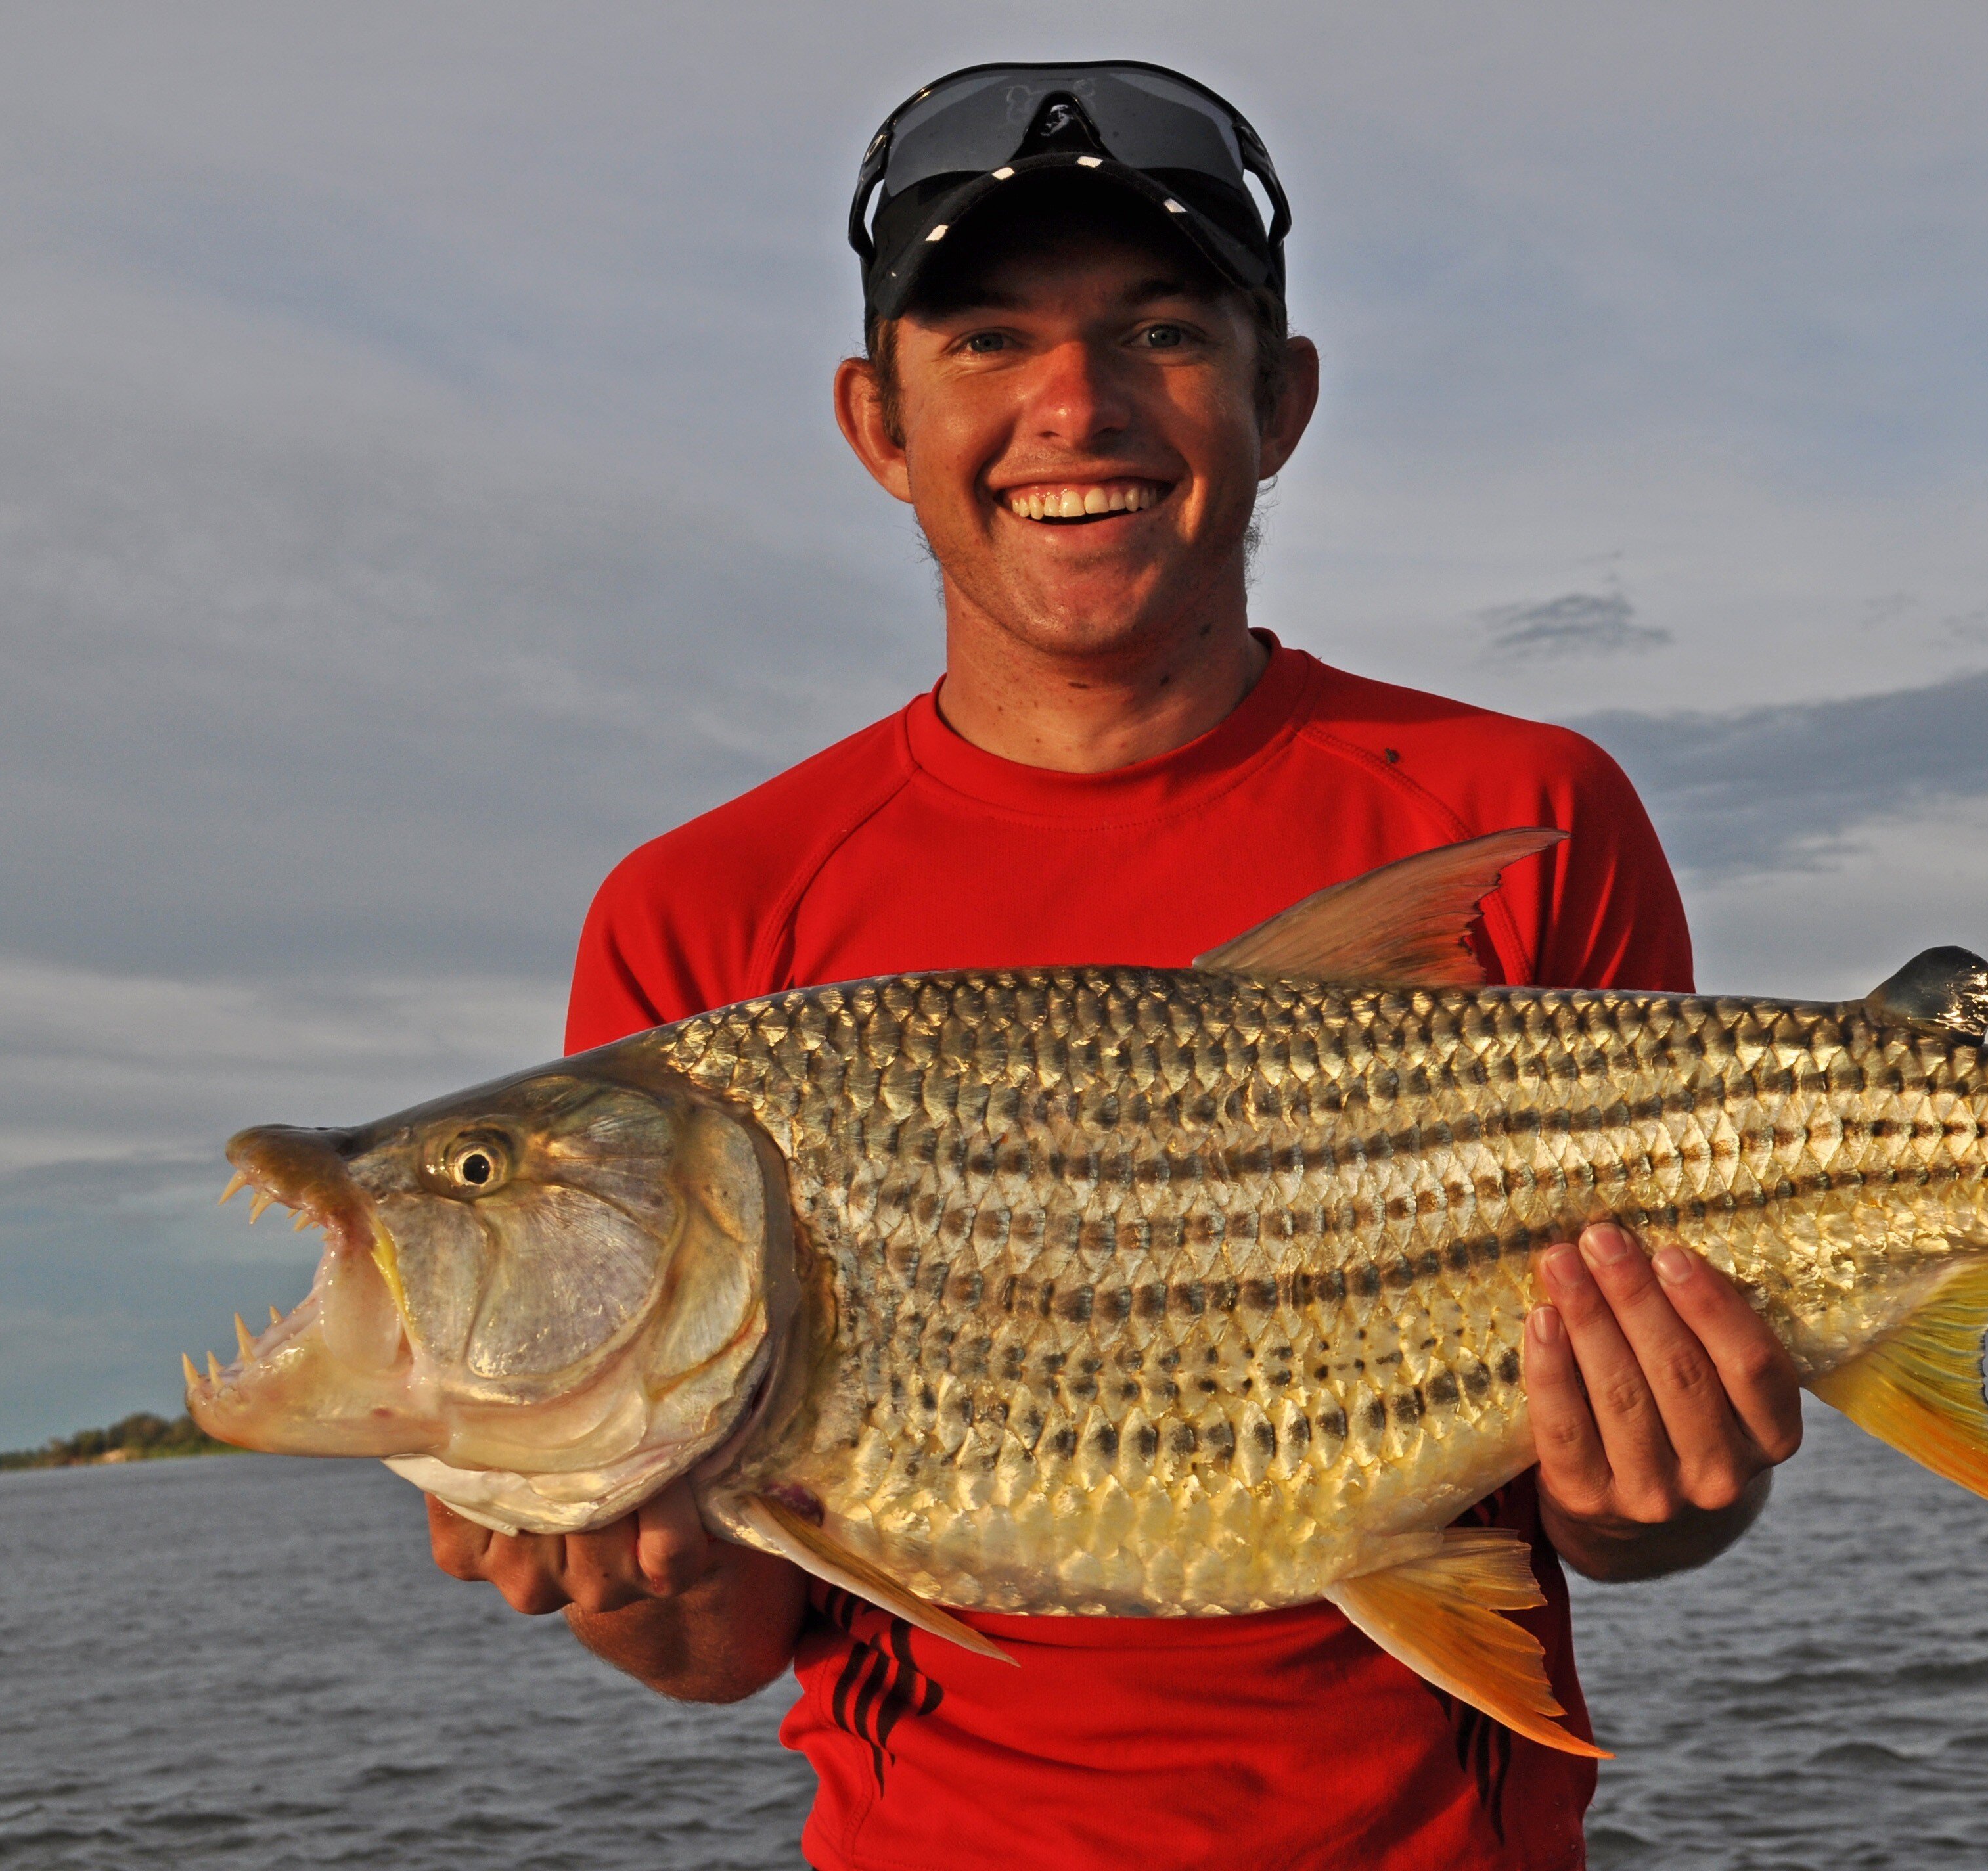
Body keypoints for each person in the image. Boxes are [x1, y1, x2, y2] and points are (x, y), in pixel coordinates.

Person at [426, 61, 1803, 1869]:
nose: (1074, 407)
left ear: (1279, 397)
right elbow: (724, 1647)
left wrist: (1657, 1503)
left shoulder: (1523, 812)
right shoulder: (701, 916)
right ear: (877, 423)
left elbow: (1619, 1516)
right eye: (987, 340)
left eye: (1159, 329)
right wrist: (612, 1564)